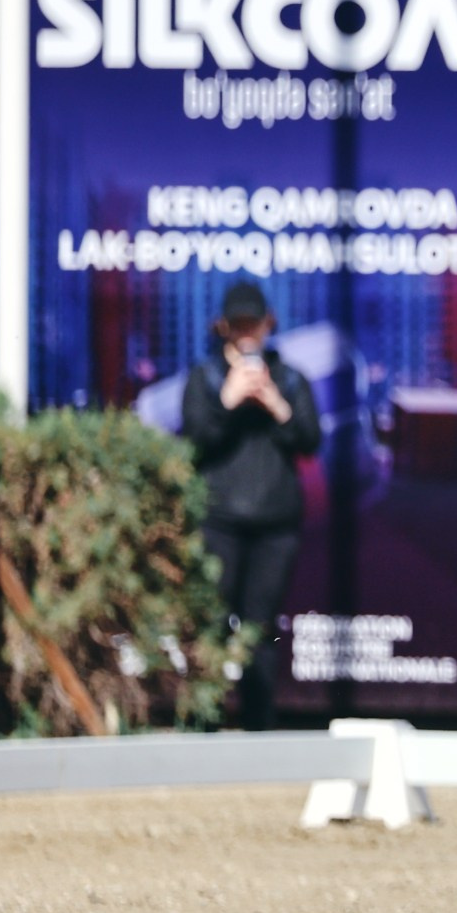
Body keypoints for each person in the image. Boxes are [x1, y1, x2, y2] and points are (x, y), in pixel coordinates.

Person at [181, 282, 321, 729]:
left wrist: (276, 404)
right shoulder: (203, 378)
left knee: (261, 630)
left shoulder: (292, 378)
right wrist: (228, 399)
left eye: (253, 325)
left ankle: (260, 727)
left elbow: (311, 442)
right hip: (218, 523)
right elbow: (194, 442)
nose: (246, 335)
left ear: (268, 325)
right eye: (237, 326)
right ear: (222, 327)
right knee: (213, 623)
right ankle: (205, 723)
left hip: (275, 526)